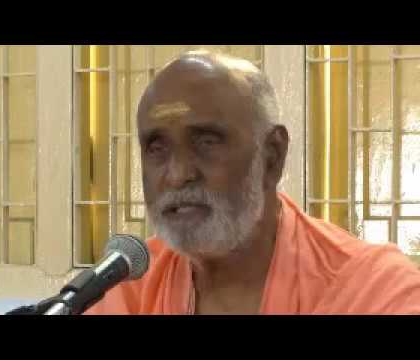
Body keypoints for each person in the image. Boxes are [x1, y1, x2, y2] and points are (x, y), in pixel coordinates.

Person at [84, 50, 420, 315]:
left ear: (272, 155)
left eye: (206, 141)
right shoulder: (128, 287)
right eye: (157, 147)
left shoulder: (371, 289)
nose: (177, 173)